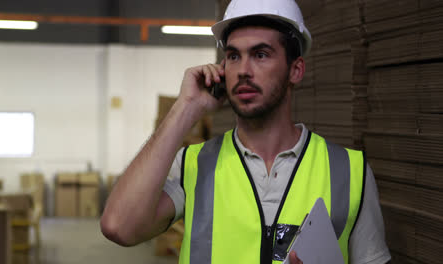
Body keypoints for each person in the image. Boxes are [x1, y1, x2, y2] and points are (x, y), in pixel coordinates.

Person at [101, 0, 391, 263]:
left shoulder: (350, 173)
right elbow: (119, 227)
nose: (243, 70)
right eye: (233, 56)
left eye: (261, 55)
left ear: (296, 70)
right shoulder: (195, 164)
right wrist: (186, 107)